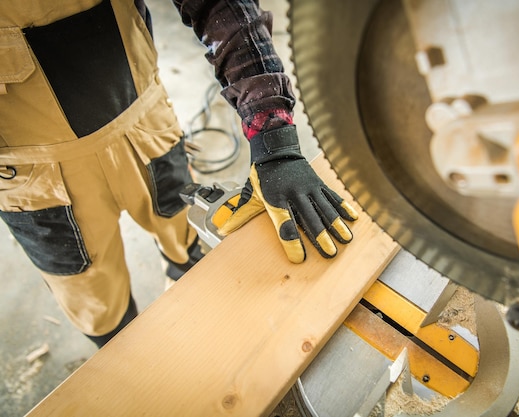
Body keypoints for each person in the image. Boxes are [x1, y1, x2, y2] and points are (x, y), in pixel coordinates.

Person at [0, 0, 357, 348]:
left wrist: (273, 136)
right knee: (92, 295)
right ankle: (123, 358)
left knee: (182, 232)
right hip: (29, 176)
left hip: (143, 125)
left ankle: (185, 289)